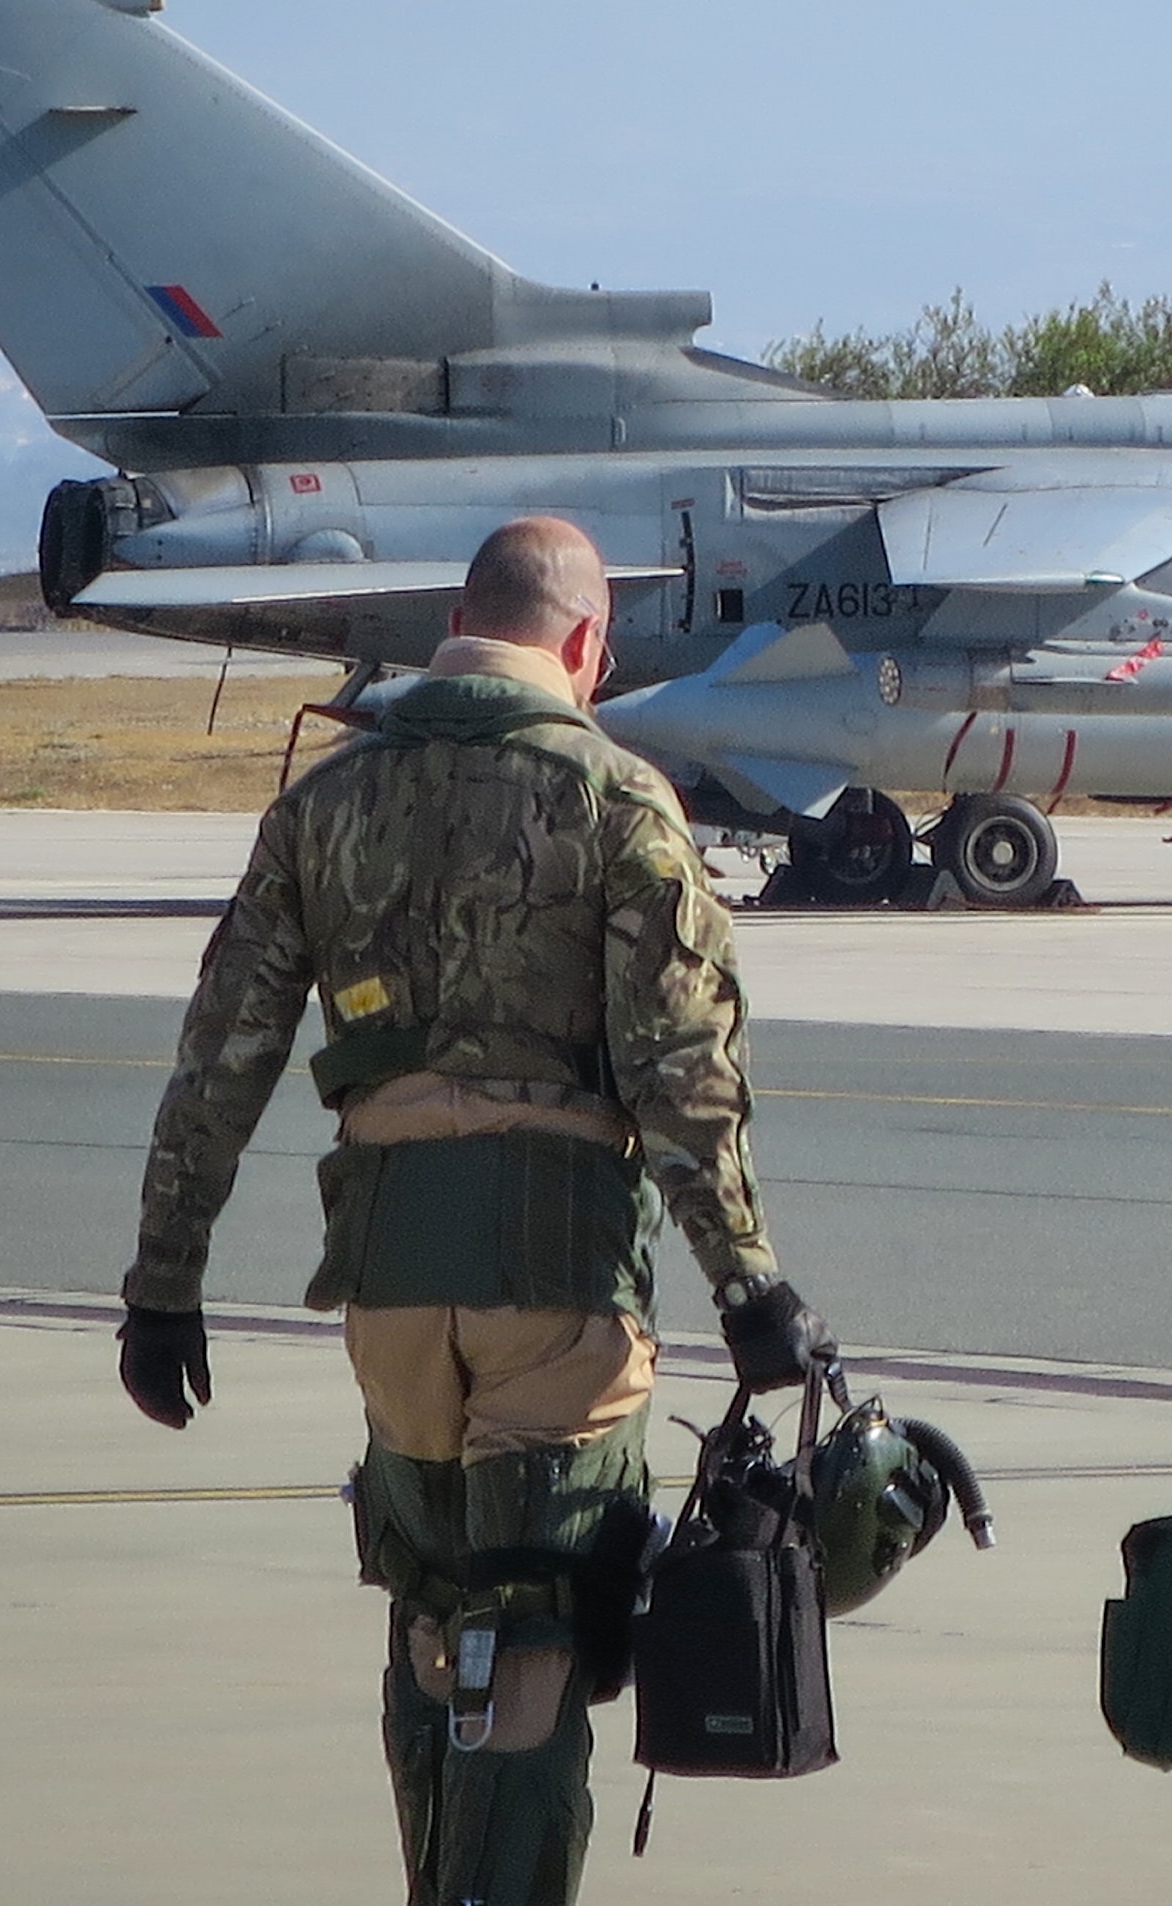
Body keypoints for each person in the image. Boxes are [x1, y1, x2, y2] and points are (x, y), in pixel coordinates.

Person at [114, 514, 836, 1906]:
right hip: (553, 1287)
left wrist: (164, 1283)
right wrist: (749, 1283)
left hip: (387, 1288)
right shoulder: (618, 801)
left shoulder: (326, 800)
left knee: (435, 1611)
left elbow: (223, 1058)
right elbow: (685, 1075)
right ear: (584, 644)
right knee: (537, 1620)